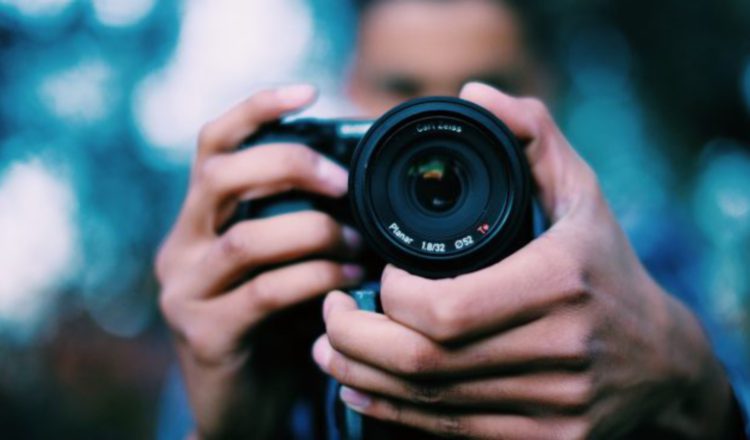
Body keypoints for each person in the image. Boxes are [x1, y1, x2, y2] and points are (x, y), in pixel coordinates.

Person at [155, 0, 748, 438]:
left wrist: (690, 383)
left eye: (486, 89)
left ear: (550, 88)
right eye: (402, 90)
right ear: (348, 89)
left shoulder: (635, 262)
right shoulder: (279, 274)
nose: (440, 127)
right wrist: (232, 426)